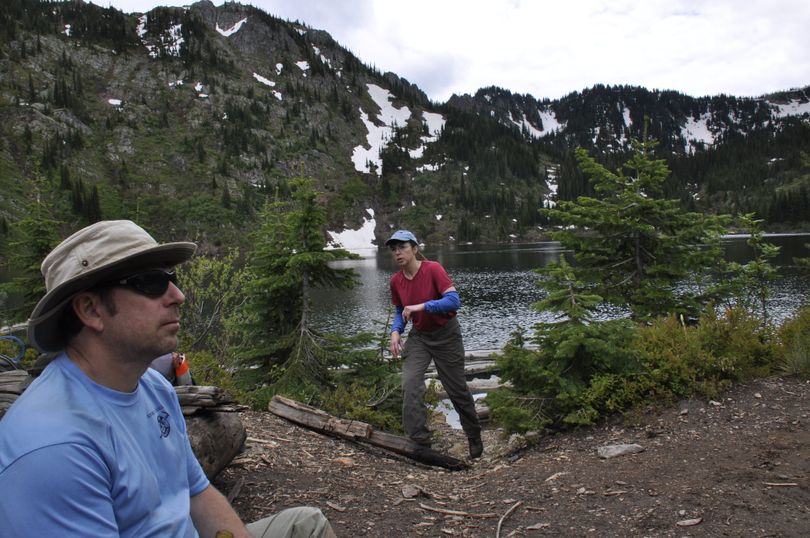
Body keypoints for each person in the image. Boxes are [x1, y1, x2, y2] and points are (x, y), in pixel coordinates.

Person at [0, 220, 335, 538]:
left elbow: (196, 493)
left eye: (172, 278)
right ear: (90, 310)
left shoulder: (153, 387)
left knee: (306, 524)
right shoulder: (54, 448)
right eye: (151, 283)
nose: (178, 296)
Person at [385, 230, 483, 459]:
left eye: (402, 247)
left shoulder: (433, 269)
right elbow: (401, 310)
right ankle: (419, 441)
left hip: (447, 334)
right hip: (420, 337)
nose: (398, 252)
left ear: (415, 249)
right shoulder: (396, 281)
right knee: (410, 383)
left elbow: (453, 301)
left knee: (457, 389)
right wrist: (395, 332)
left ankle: (474, 435)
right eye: (394, 249)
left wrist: (421, 306)